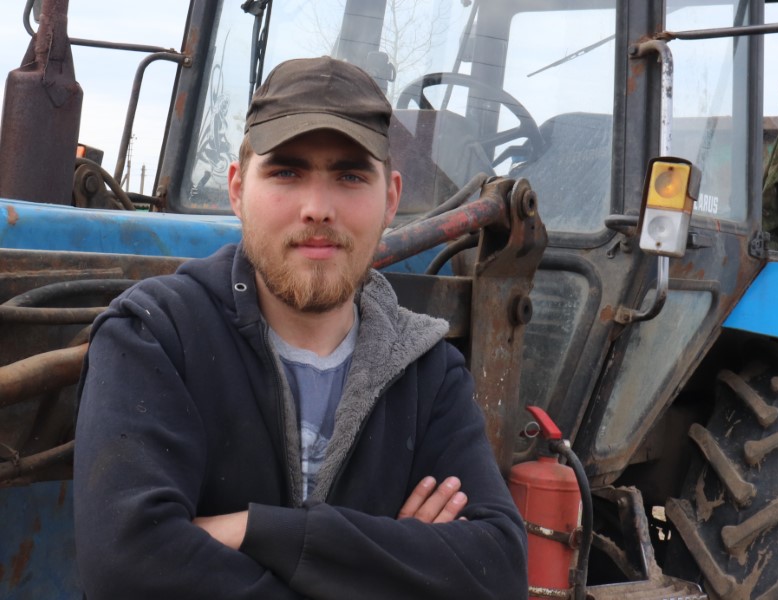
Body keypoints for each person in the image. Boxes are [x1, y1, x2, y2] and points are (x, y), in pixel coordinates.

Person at [73, 57, 528, 599]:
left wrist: (254, 529)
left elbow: (498, 572)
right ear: (237, 189)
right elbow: (126, 568)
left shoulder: (428, 373)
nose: (317, 208)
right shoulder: (156, 337)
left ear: (390, 199)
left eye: (350, 176)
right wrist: (390, 563)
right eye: (286, 173)